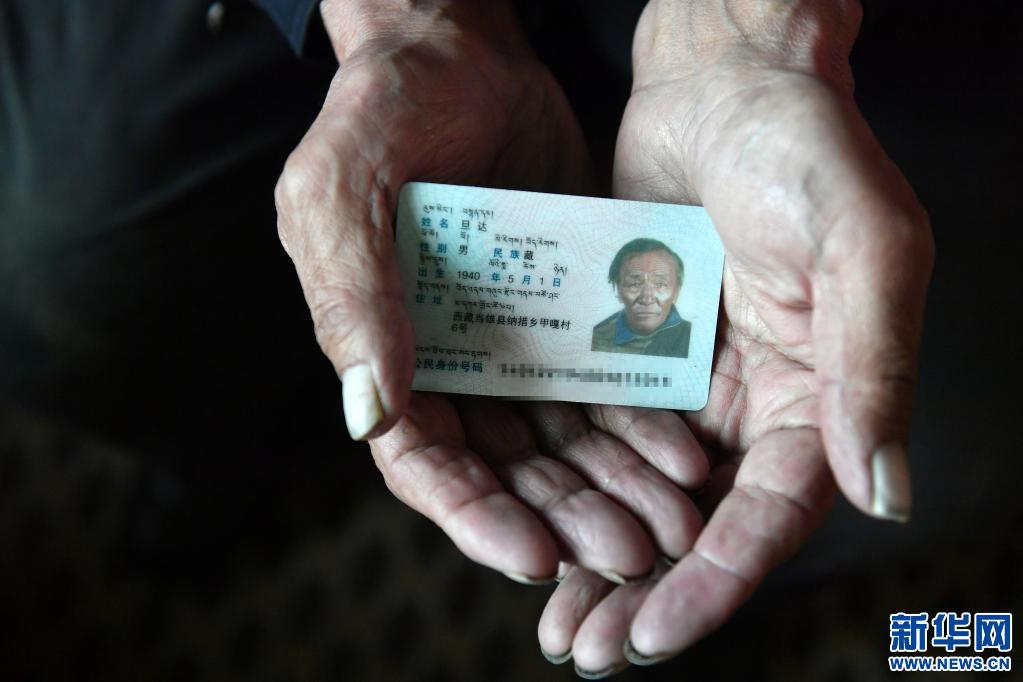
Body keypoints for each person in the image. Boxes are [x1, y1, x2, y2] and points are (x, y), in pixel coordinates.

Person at [591, 238, 691, 358]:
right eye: (634, 284)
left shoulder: (693, 339)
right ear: (618, 289)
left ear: (676, 292)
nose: (647, 299)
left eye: (660, 284)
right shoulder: (598, 337)